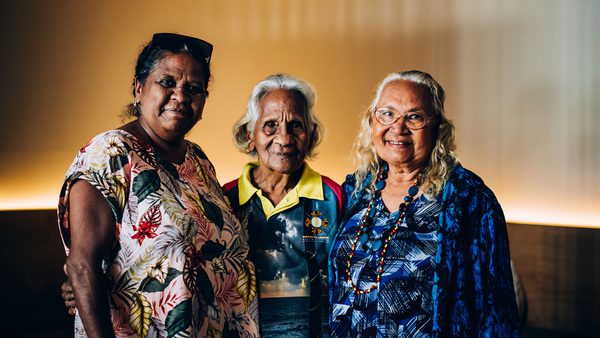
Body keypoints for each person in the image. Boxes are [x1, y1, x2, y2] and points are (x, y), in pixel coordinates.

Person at [57, 33, 259, 337]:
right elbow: (82, 268)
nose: (180, 96)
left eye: (193, 88)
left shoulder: (199, 161)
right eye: (167, 82)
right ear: (139, 89)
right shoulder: (109, 154)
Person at [329, 70, 520, 337]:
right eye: (387, 113)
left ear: (437, 128)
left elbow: (496, 312)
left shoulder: (469, 200)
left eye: (414, 117)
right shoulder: (354, 190)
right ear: (372, 121)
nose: (398, 127)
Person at [223, 74, 342, 337]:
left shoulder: (334, 197)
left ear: (310, 135)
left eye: (296, 126)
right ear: (249, 134)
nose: (284, 138)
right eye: (270, 125)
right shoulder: (224, 200)